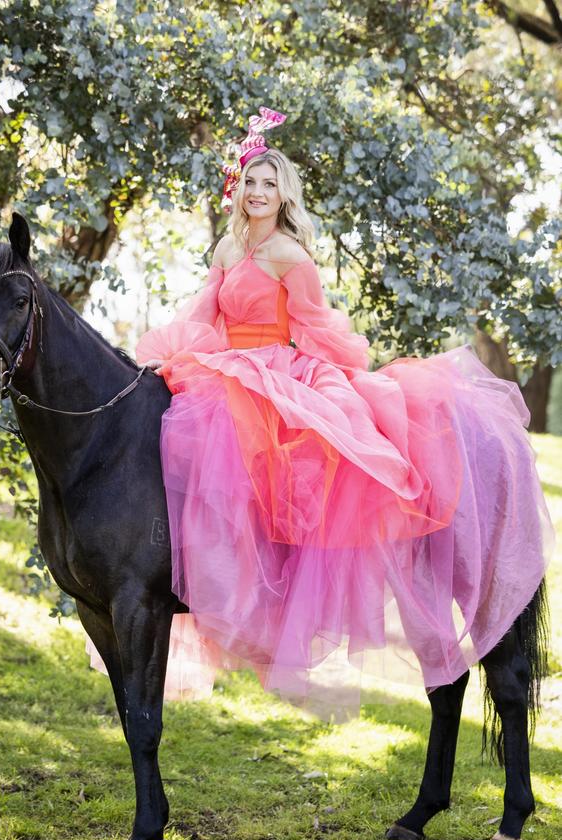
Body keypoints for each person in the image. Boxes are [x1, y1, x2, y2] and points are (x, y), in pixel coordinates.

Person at [87, 108, 554, 714]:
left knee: (268, 457)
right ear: (239, 188)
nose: (258, 193)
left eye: (269, 184)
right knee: (177, 432)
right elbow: (205, 316)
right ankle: (182, 565)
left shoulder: (288, 254)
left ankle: (267, 575)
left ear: (284, 195)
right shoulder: (229, 245)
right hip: (223, 364)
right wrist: (177, 353)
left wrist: (322, 380)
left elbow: (316, 327)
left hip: (276, 367)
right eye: (250, 181)